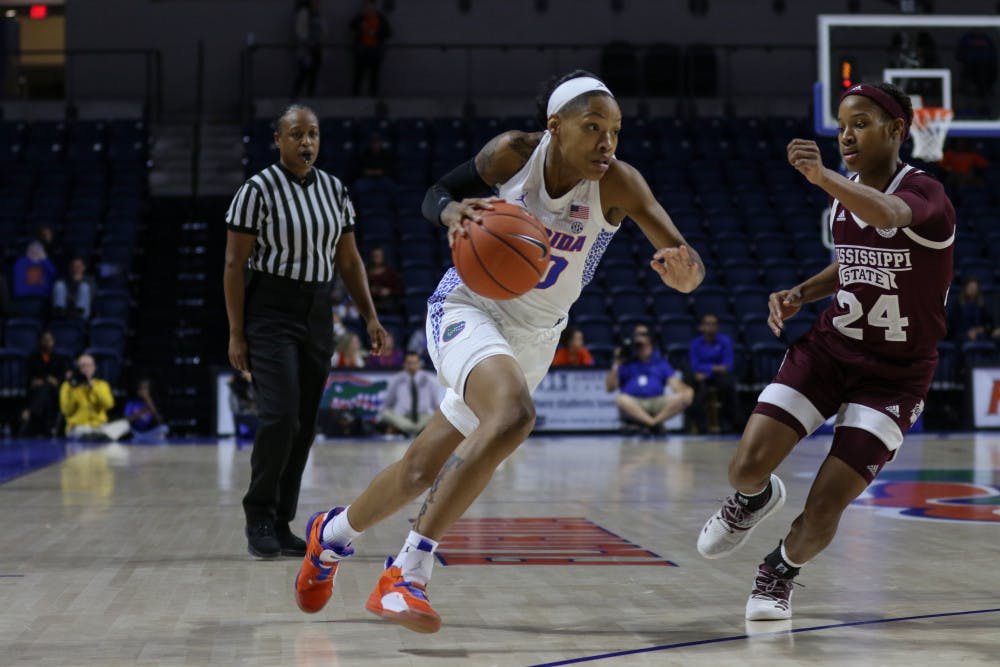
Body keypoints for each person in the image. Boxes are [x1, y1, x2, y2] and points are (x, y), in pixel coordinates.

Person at [292, 69, 704, 632]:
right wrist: (452, 213)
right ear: (555, 127)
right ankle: (406, 573)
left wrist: (685, 277)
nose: (606, 142)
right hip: (468, 307)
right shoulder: (513, 154)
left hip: (536, 337)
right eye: (592, 127)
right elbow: (435, 194)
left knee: (418, 471)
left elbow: (687, 260)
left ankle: (332, 536)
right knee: (513, 416)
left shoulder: (620, 183)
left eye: (615, 130)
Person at [697, 82, 955, 621]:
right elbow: (852, 258)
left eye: (860, 123)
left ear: (895, 130)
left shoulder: (928, 195)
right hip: (829, 351)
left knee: (824, 507)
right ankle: (753, 499)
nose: (846, 134)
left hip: (896, 376)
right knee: (746, 466)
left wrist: (821, 177)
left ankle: (780, 572)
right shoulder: (846, 199)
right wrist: (802, 292)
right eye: (841, 125)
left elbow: (887, 217)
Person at [223, 104, 387, 560]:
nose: (306, 142)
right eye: (296, 134)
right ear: (277, 139)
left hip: (317, 308)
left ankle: (281, 521)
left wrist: (370, 316)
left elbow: (350, 261)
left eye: (313, 134)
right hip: (269, 310)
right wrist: (237, 333)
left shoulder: (335, 190)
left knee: (305, 423)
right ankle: (258, 514)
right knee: (279, 416)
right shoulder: (255, 191)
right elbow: (234, 265)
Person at [606, 331, 693, 434]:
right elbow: (610, 388)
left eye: (645, 345)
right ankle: (653, 424)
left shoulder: (660, 363)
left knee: (688, 394)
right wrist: (617, 362)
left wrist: (683, 391)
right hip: (635, 402)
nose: (642, 348)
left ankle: (653, 422)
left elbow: (675, 385)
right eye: (638, 346)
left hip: (657, 402)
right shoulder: (627, 364)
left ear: (651, 345)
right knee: (621, 399)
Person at [59, 353, 131, 442]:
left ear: (94, 368)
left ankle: (99, 436)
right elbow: (66, 411)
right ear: (77, 368)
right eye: (82, 366)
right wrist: (74, 389)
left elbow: (108, 405)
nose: (86, 369)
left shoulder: (102, 385)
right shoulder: (67, 386)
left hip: (99, 427)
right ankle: (101, 437)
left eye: (89, 365)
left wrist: (93, 387)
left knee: (124, 424)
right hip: (79, 427)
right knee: (81, 431)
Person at [688, 312, 740, 433]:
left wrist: (708, 369)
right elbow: (695, 365)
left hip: (718, 377)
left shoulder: (724, 341)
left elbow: (728, 365)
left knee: (729, 386)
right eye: (707, 324)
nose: (710, 327)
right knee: (698, 392)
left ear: (717, 327)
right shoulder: (696, 343)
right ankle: (702, 427)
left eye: (713, 324)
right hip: (702, 377)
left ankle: (729, 424)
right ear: (702, 327)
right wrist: (714, 368)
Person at [377, 351, 442, 437]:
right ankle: (414, 429)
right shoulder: (397, 379)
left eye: (415, 363)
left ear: (419, 364)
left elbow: (435, 405)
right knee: (385, 413)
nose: (412, 366)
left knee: (436, 415)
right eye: (409, 363)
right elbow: (388, 403)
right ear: (404, 364)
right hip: (402, 417)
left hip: (423, 417)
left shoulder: (429, 380)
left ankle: (410, 429)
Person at [19, 330, 70, 437]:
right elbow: (28, 376)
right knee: (44, 390)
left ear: (54, 341)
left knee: (47, 389)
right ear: (40, 341)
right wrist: (34, 381)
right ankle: (45, 425)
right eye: (45, 340)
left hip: (55, 390)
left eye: (50, 340)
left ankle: (30, 412)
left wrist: (56, 381)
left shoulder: (60, 359)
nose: (47, 342)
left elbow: (63, 378)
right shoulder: (33, 358)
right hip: (38, 390)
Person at [348, 0, 392, 97]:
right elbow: (351, 26)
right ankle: (355, 97)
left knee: (374, 77)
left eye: (371, 7)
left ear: (375, 7)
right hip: (362, 51)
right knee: (358, 76)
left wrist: (376, 33)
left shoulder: (380, 18)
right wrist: (360, 19)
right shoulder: (361, 18)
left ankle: (373, 97)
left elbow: (388, 32)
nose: (369, 9)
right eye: (367, 7)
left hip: (375, 51)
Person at [291, 0, 325, 98]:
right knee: (303, 73)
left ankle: (311, 96)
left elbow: (323, 30)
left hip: (317, 49)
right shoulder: (304, 13)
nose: (317, 3)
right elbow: (299, 30)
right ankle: (295, 96)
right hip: (306, 50)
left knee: (314, 74)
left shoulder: (319, 14)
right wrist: (306, 41)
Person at [948, 276, 991, 342]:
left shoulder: (982, 304)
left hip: (979, 334)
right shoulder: (957, 304)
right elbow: (953, 324)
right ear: (965, 288)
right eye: (970, 287)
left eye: (974, 288)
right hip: (961, 334)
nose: (973, 289)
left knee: (982, 338)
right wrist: (967, 333)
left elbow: (988, 323)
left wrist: (980, 329)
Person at [366, 246, 403, 316]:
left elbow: (399, 289)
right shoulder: (366, 272)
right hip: (372, 303)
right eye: (374, 256)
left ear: (383, 257)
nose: (376, 258)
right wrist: (371, 290)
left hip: (388, 303)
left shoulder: (390, 272)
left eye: (378, 256)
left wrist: (389, 291)